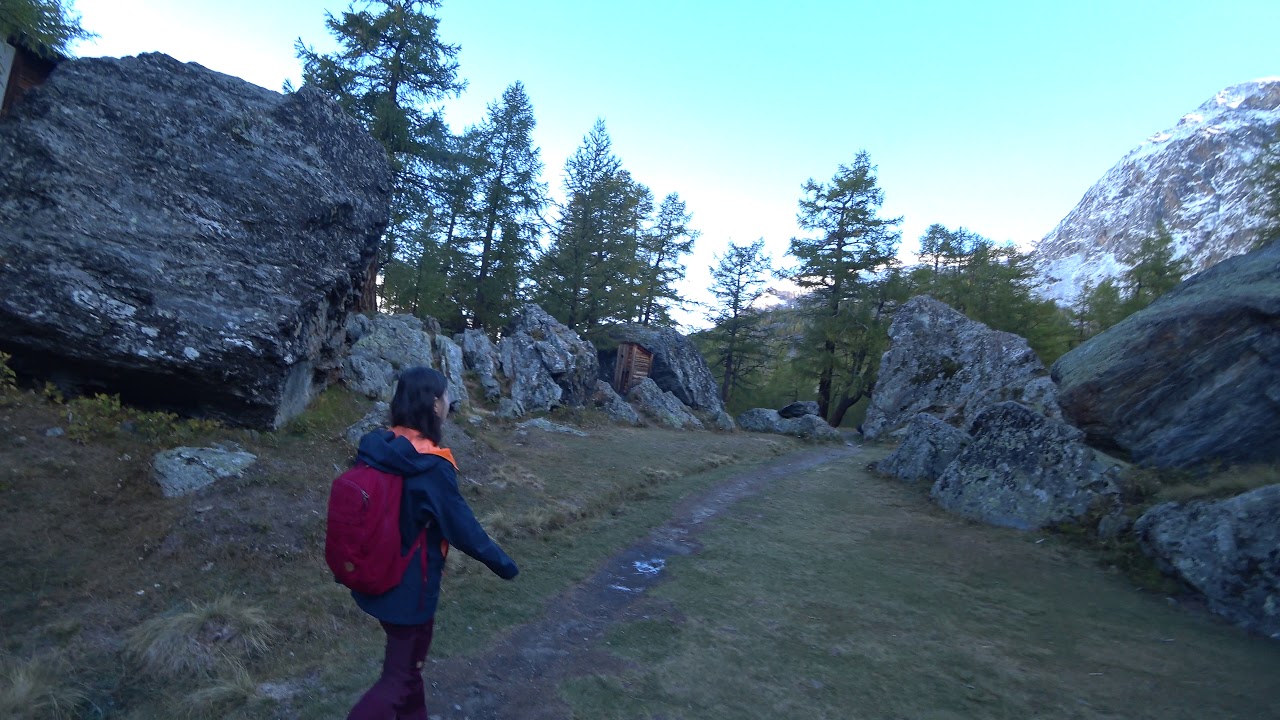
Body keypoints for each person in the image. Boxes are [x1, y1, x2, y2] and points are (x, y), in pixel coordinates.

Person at [346, 366, 518, 720]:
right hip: (409, 586)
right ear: (434, 404)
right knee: (399, 677)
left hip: (375, 575)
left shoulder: (380, 445)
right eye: (446, 394)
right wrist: (504, 564)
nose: (450, 399)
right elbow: (463, 529)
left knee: (409, 667)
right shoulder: (430, 465)